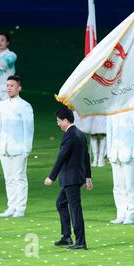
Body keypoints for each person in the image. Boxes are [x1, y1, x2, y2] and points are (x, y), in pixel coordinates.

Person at [44, 107, 93, 250]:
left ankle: (80, 242)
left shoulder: (69, 135)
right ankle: (66, 236)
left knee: (75, 209)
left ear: (66, 120)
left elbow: (62, 157)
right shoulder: (80, 134)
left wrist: (51, 177)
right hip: (76, 178)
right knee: (61, 203)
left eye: (59, 121)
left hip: (71, 179)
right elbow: (86, 157)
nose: (58, 123)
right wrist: (88, 177)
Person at [0, 75, 34, 217]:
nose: (9, 88)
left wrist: (26, 148)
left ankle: (20, 207)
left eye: (12, 85)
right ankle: (11, 206)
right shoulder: (2, 104)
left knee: (19, 178)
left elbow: (28, 129)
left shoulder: (24, 106)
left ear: (19, 88)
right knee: (9, 178)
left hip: (19, 148)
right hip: (4, 147)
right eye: (8, 85)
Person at [106, 107, 134, 225]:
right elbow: (109, 132)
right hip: (115, 154)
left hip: (129, 153)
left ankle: (130, 215)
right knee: (117, 186)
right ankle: (120, 214)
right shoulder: (112, 110)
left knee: (130, 186)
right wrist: (109, 152)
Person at [0, 33, 17, 101]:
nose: (0, 42)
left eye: (2, 40)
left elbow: (3, 65)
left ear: (7, 43)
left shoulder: (12, 55)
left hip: (6, 91)